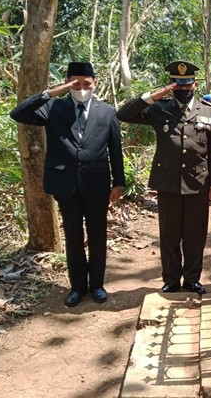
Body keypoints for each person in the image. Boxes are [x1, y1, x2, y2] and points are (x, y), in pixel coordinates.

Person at [9, 62, 125, 307]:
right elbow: (18, 113)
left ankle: (97, 285)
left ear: (94, 83)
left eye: (86, 83)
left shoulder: (107, 111)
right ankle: (77, 287)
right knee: (72, 236)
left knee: (97, 235)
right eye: (75, 83)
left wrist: (119, 182)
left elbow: (115, 149)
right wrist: (51, 92)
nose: (82, 88)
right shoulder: (53, 107)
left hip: (96, 182)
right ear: (67, 83)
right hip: (65, 184)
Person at [116, 60, 211, 294]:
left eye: (186, 84)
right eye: (177, 85)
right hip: (168, 182)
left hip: (198, 182)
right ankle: (172, 279)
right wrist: (153, 96)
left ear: (195, 85)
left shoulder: (208, 111)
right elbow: (123, 114)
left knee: (194, 235)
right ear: (171, 86)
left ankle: (192, 279)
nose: (182, 89)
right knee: (170, 234)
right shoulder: (159, 108)